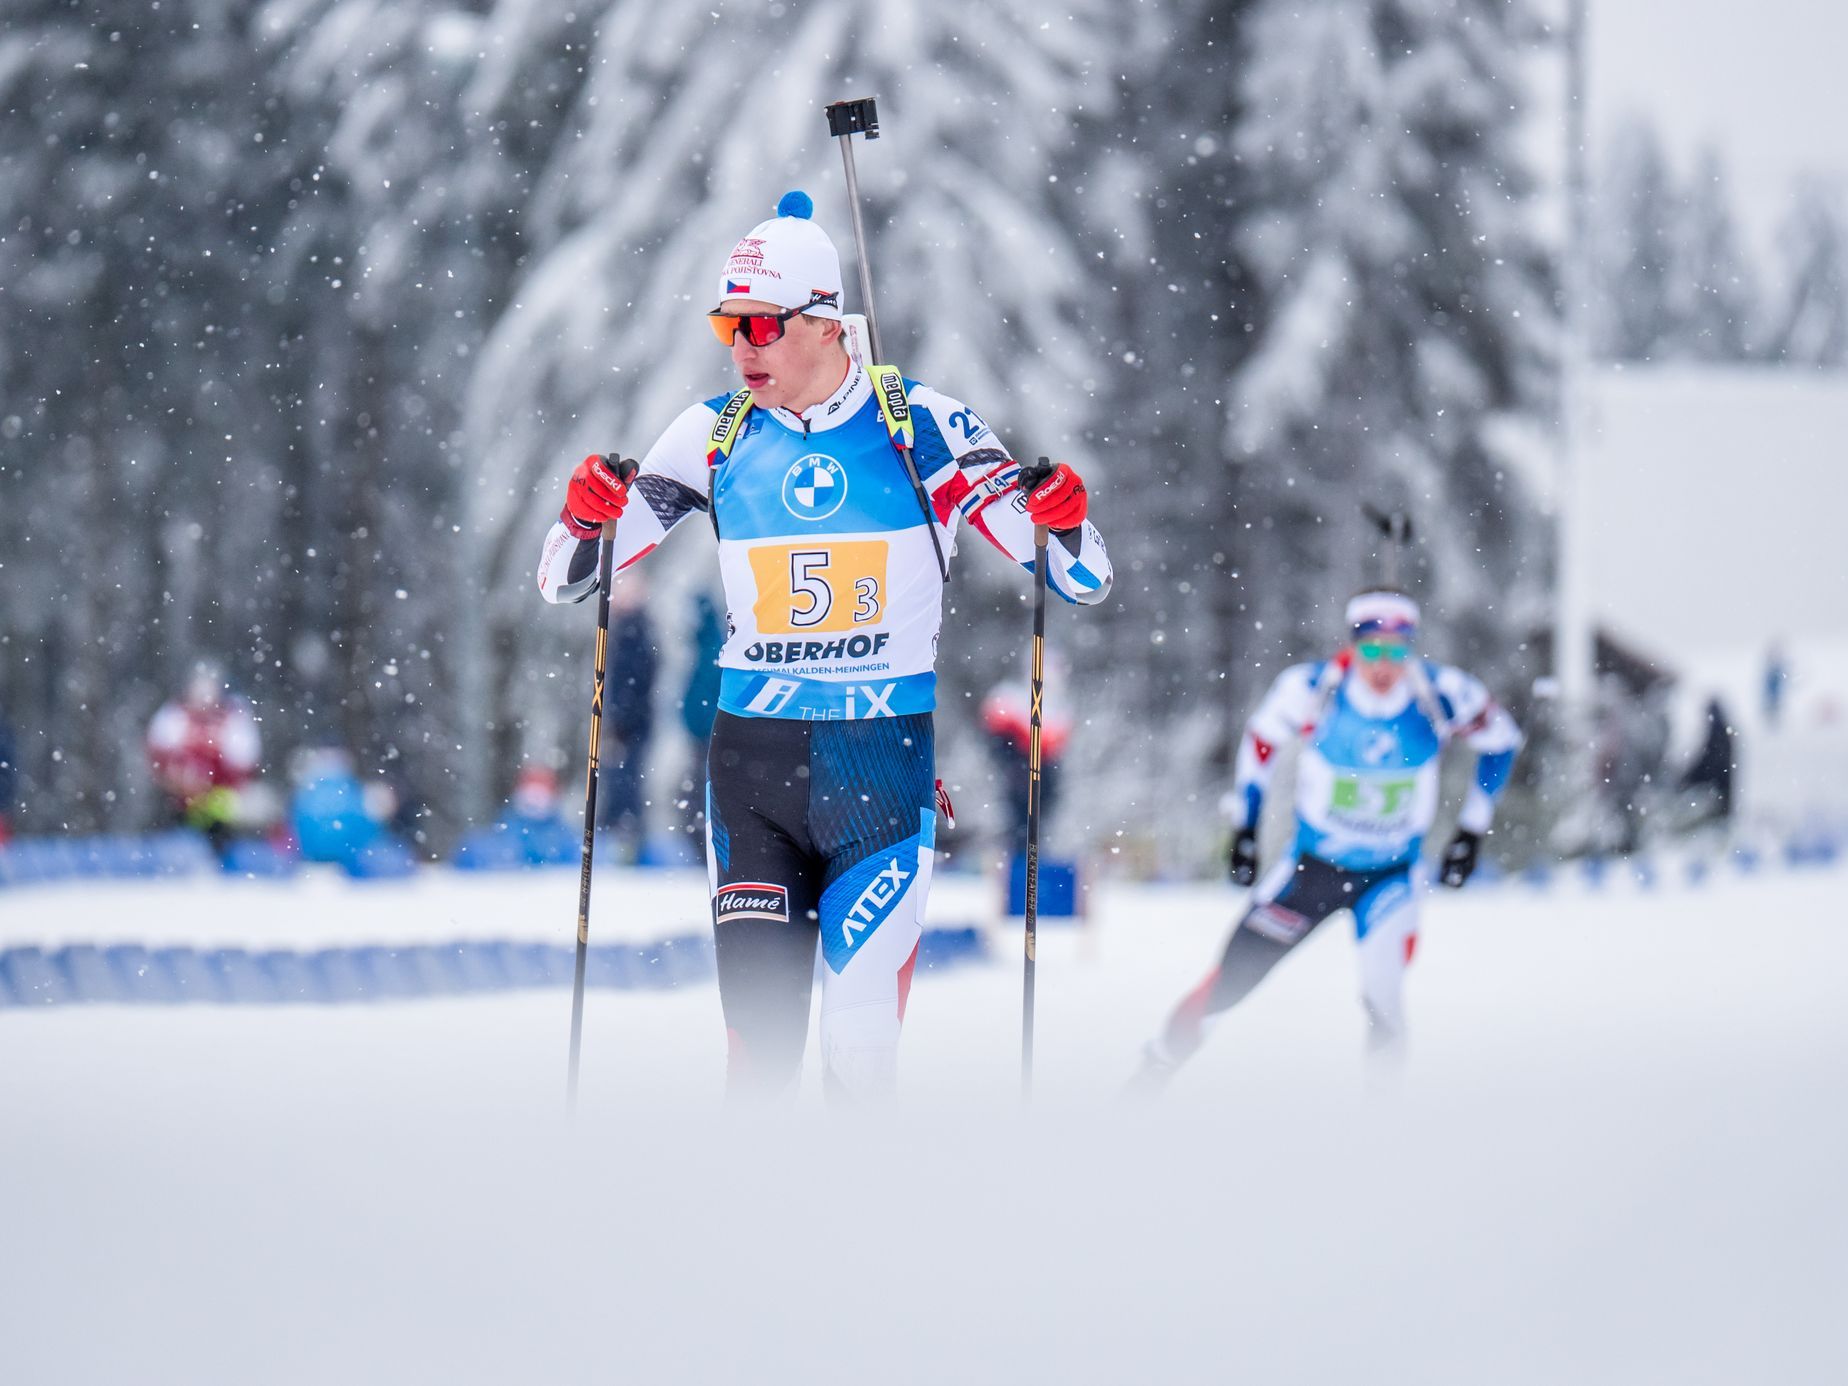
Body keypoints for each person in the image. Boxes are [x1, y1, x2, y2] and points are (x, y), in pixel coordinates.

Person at [537, 192, 1113, 1099]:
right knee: (758, 1064)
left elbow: (1079, 576)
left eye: (762, 325)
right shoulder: (713, 435)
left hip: (879, 772)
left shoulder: (919, 427)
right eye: (730, 325)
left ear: (826, 324)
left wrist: (1064, 522)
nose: (743, 346)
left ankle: (857, 1233)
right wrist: (585, 516)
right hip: (755, 774)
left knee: (859, 1048)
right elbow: (568, 577)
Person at [1133, 590, 1521, 1087]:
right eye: (1373, 650)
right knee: (1230, 982)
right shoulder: (1315, 689)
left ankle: (1378, 1129)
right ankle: (1152, 1074)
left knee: (1385, 1000)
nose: (1385, 665)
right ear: (1351, 646)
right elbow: (1260, 741)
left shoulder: (1441, 695)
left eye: (1398, 650)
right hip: (1310, 871)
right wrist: (1246, 827)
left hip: (1389, 877)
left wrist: (1470, 831)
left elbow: (1502, 741)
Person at [145, 662, 262, 856]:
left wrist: (212, 787)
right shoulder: (175, 715)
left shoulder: (233, 717)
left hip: (218, 800)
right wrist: (178, 780)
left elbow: (244, 761)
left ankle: (221, 855)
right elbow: (158, 755)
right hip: (178, 797)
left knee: (220, 824)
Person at [981, 661, 1074, 857]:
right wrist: (1013, 764)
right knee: (1020, 822)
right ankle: (1019, 858)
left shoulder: (1060, 705)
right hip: (1020, 771)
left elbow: (1056, 747)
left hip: (1044, 774)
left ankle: (1031, 855)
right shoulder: (1011, 698)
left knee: (1040, 821)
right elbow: (996, 737)